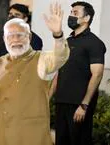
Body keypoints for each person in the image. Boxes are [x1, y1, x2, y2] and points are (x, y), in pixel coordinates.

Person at [0, 3, 70, 145]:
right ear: (4, 39)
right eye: (11, 36)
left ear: (29, 37)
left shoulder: (40, 59)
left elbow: (60, 57)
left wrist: (58, 35)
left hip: (30, 137)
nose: (15, 40)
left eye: (20, 35)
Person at [53, 1, 106, 145]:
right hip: (61, 102)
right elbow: (59, 71)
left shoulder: (95, 43)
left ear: (86, 18)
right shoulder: (67, 41)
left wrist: (84, 105)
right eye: (70, 13)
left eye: (75, 13)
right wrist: (49, 96)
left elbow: (97, 75)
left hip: (79, 105)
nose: (71, 16)